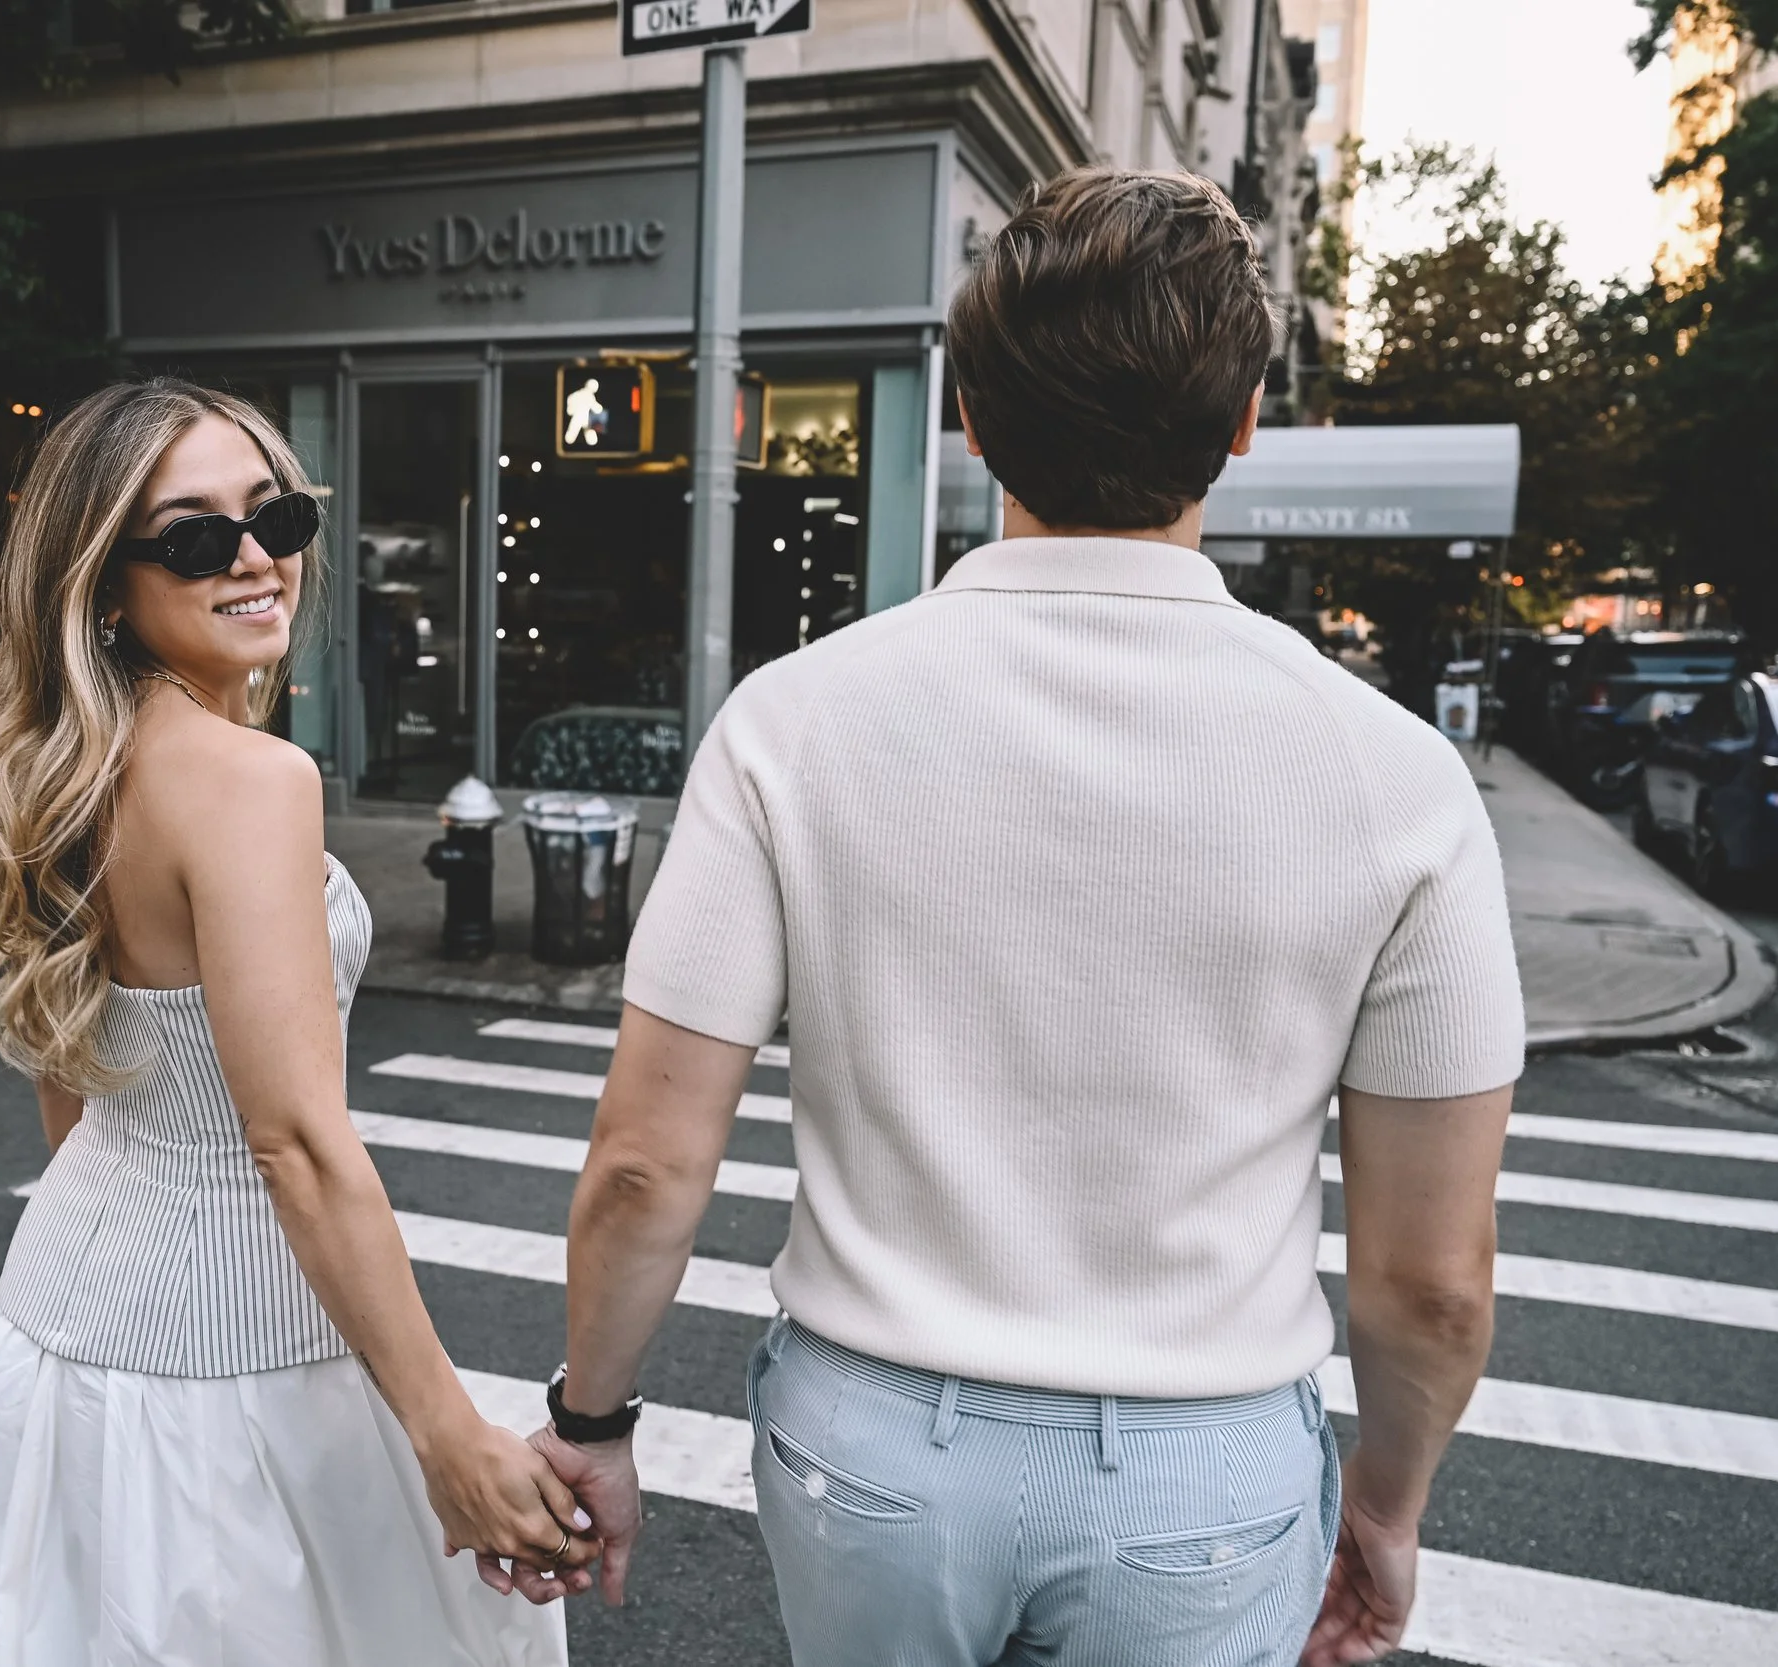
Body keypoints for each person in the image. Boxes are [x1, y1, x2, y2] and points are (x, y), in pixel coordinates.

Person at [521, 169, 1526, 1667]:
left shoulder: (793, 723)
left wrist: (592, 1417)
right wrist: (1383, 1503)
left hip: (871, 1445)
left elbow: (646, 1162)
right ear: (1244, 422)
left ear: (972, 416)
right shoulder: (1397, 775)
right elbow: (1430, 1280)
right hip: (1205, 1469)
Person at [0, 377, 592, 1667]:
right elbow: (297, 1146)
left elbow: (78, 1081)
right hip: (224, 1371)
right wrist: (447, 1435)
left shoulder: (67, 767)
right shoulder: (252, 782)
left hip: (65, 1332)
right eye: (194, 537)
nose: (256, 558)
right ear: (104, 582)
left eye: (273, 516)